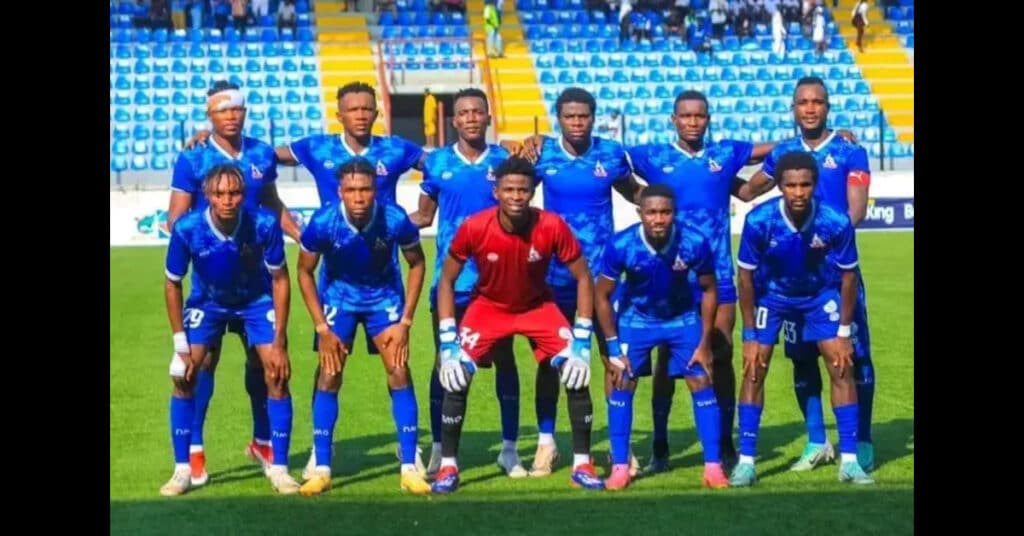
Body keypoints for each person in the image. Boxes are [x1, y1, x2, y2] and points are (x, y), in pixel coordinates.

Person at [431, 156, 605, 493]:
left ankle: (582, 464)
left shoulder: (551, 225)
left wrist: (582, 337)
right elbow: (447, 281)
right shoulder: (475, 227)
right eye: (508, 189)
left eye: (523, 190)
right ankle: (448, 467)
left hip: (538, 306)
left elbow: (584, 277)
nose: (516, 196)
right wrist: (448, 338)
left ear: (532, 192)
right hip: (488, 307)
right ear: (495, 192)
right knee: (456, 374)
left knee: (576, 370)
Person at [625, 89, 775, 473]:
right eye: (686, 116)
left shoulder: (724, 154)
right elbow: (608, 158)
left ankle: (724, 443)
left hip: (719, 275)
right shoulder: (652, 156)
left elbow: (775, 150)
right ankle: (660, 446)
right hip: (670, 277)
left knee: (720, 355)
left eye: (700, 116)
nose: (693, 122)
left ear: (708, 119)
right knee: (665, 359)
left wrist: (828, 137)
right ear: (673, 120)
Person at [167, 81, 301, 488]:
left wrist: (299, 234)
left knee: (266, 365)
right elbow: (176, 219)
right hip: (210, 287)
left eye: (237, 109)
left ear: (245, 112)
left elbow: (272, 204)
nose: (231, 116)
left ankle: (265, 445)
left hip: (257, 286)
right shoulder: (193, 157)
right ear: (210, 115)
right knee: (199, 365)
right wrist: (210, 242)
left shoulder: (261, 153)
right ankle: (192, 452)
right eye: (223, 110)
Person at [740, 76, 875, 473]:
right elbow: (748, 192)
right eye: (803, 102)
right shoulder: (783, 152)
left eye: (818, 102)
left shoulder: (850, 151)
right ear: (794, 108)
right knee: (801, 358)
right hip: (789, 278)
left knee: (853, 357)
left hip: (835, 275)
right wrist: (703, 178)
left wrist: (824, 241)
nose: (811, 108)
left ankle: (861, 440)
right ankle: (817, 441)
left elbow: (856, 210)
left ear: (828, 107)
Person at [522, 87, 644, 477]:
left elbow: (636, 194)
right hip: (555, 278)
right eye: (570, 116)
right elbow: (513, 187)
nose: (577, 122)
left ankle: (620, 447)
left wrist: (681, 201)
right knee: (549, 362)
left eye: (584, 116)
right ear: (558, 118)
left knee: (615, 359)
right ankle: (546, 444)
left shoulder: (611, 154)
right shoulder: (542, 154)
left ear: (593, 117)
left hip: (604, 280)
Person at [294, 158, 432, 495]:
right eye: (352, 190)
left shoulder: (394, 218)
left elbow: (417, 264)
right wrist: (322, 328)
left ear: (375, 190)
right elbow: (303, 271)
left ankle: (409, 464)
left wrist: (406, 321)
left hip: (384, 299)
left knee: (398, 370)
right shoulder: (324, 221)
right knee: (329, 375)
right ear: (340, 191)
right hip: (338, 300)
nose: (359, 197)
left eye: (366, 189)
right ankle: (322, 464)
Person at [408, 88, 527, 478]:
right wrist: (384, 221)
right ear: (454, 120)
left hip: (498, 283)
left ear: (489, 117)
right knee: (445, 361)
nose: (471, 118)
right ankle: (439, 449)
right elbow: (424, 216)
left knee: (505, 359)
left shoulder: (504, 160)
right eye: (464, 113)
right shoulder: (437, 163)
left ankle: (509, 449)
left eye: (478, 111)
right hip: (451, 282)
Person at [595, 185, 730, 490]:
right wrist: (613, 347)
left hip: (682, 320)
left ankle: (713, 467)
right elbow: (601, 296)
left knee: (701, 380)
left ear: (674, 213)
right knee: (622, 382)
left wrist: (705, 342)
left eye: (665, 212)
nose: (658, 219)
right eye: (652, 212)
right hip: (635, 320)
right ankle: (620, 467)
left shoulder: (694, 241)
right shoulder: (622, 244)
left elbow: (710, 290)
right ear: (639, 213)